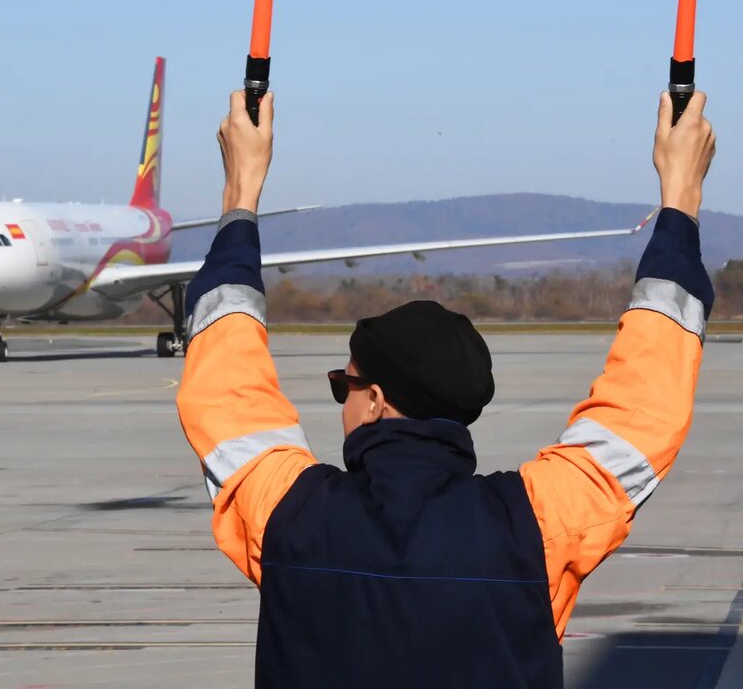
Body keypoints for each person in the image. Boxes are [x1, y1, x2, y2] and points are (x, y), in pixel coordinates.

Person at [175, 89, 716, 687]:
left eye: (343, 385)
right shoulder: (533, 525)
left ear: (376, 401)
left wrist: (240, 193)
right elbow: (645, 404)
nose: (341, 402)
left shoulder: (291, 516)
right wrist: (680, 199)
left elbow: (226, 378)